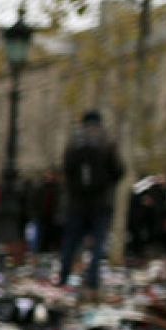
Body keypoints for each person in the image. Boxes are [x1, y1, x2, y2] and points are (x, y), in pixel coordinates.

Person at [57, 110, 123, 289]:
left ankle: (64, 276)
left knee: (71, 242)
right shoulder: (107, 141)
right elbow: (118, 170)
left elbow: (66, 170)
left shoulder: (74, 143)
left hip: (76, 203)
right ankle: (92, 280)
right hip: (100, 203)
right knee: (98, 244)